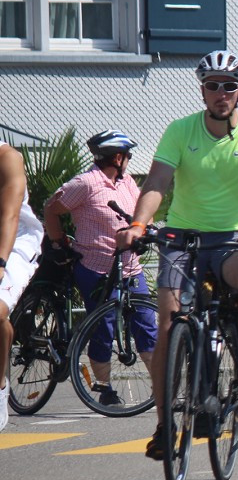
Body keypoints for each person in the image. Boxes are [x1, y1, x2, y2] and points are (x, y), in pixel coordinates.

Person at [115, 49, 238, 461]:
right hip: (181, 240)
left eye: (228, 86)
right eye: (212, 86)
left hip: (231, 242)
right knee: (168, 331)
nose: (220, 93)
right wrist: (138, 224)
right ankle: (162, 427)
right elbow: (156, 181)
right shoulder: (180, 130)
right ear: (202, 90)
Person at [43, 130, 157, 406]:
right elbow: (51, 209)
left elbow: (146, 208)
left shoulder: (127, 181)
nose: (129, 160)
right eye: (128, 156)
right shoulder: (85, 183)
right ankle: (105, 389)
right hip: (96, 268)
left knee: (146, 324)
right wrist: (60, 243)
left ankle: (162, 387)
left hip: (130, 267)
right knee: (104, 326)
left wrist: (147, 226)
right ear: (118, 157)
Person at [0, 141, 45, 431]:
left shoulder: (8, 158)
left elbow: (9, 215)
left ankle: (0, 385)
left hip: (14, 243)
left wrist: (1, 262)